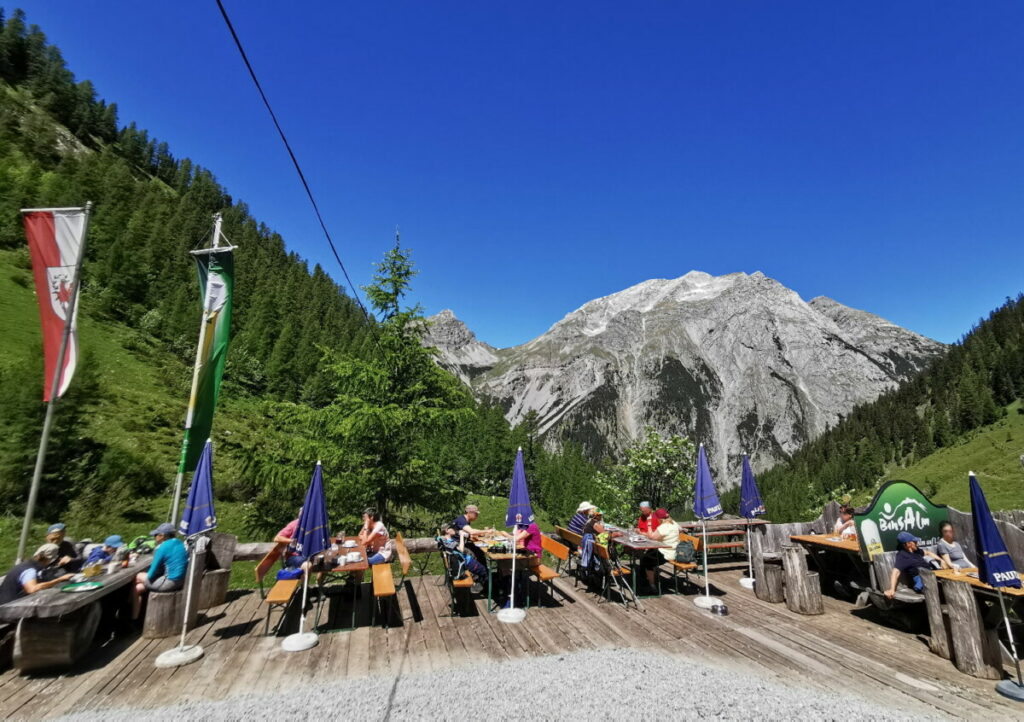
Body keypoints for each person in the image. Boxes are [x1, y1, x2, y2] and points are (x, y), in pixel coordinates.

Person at [132, 523, 188, 620]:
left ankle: (132, 617)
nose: (154, 537)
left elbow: (151, 574)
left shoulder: (162, 548)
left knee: (138, 576)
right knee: (137, 588)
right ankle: (135, 618)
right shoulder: (179, 543)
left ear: (162, 536)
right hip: (181, 581)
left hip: (169, 582)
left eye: (155, 535)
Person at [0, 544, 73, 605]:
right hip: (9, 608)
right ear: (48, 560)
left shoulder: (24, 564)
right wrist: (60, 579)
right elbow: (32, 589)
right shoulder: (30, 570)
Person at [884, 531, 943, 598]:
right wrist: (892, 589)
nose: (917, 543)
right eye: (915, 542)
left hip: (931, 573)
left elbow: (928, 553)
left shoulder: (916, 551)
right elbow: (895, 572)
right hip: (921, 577)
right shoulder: (902, 555)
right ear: (908, 544)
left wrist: (941, 560)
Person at [639, 508, 680, 592]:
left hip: (666, 553)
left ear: (659, 519)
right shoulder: (674, 523)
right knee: (646, 555)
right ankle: (646, 579)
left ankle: (652, 585)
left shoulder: (664, 527)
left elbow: (651, 537)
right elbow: (679, 530)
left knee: (646, 560)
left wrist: (649, 524)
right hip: (673, 550)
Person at [439, 525, 488, 591]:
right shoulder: (449, 542)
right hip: (465, 562)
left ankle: (480, 584)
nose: (454, 529)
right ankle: (483, 588)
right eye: (452, 528)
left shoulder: (444, 540)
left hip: (462, 560)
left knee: (481, 565)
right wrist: (461, 535)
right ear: (447, 531)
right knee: (485, 571)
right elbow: (461, 549)